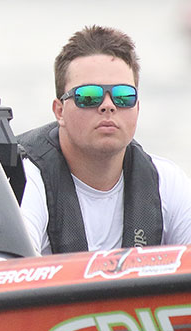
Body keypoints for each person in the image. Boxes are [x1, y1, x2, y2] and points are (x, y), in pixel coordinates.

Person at [18, 25, 191, 255]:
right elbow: (6, 269)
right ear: (59, 111)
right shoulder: (25, 179)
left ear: (137, 108)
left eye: (123, 96)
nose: (108, 106)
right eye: (89, 96)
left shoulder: (167, 183)